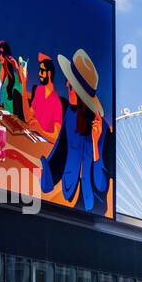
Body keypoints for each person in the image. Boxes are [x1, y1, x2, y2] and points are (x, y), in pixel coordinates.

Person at [40, 49, 113, 214]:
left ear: (80, 92)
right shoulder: (71, 116)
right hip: (70, 190)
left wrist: (95, 143)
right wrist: (47, 173)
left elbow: (101, 185)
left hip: (94, 203)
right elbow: (61, 149)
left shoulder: (104, 130)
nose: (66, 85)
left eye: (70, 83)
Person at [0, 39, 26, 117]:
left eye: (4, 53)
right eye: (0, 53)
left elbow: (21, 93)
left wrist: (17, 68)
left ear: (8, 56)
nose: (1, 56)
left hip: (4, 115)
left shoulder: (14, 77)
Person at [25, 53, 63, 136]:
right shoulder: (39, 90)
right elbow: (27, 117)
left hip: (44, 144)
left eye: (42, 71)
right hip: (32, 136)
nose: (39, 74)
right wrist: (24, 84)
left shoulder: (57, 103)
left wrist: (40, 130)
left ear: (49, 73)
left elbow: (56, 136)